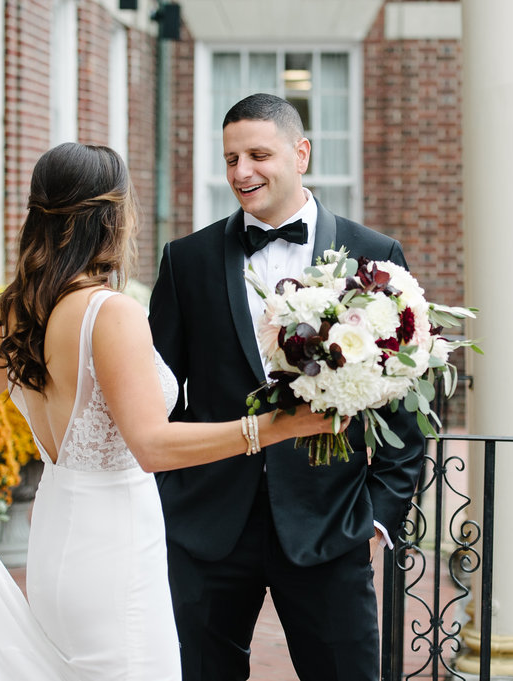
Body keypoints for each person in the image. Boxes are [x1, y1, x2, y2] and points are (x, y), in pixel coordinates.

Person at [0, 142, 343, 681]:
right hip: (114, 550)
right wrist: (273, 428)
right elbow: (151, 446)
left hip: (57, 544)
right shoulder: (111, 313)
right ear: (113, 217)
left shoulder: (17, 310)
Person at [148, 94, 426, 681]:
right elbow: (158, 398)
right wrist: (173, 499)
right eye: (230, 159)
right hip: (208, 528)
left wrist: (376, 520)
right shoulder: (186, 261)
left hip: (330, 527)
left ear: (301, 153)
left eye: (257, 155)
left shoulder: (375, 258)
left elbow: (404, 410)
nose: (241, 172)